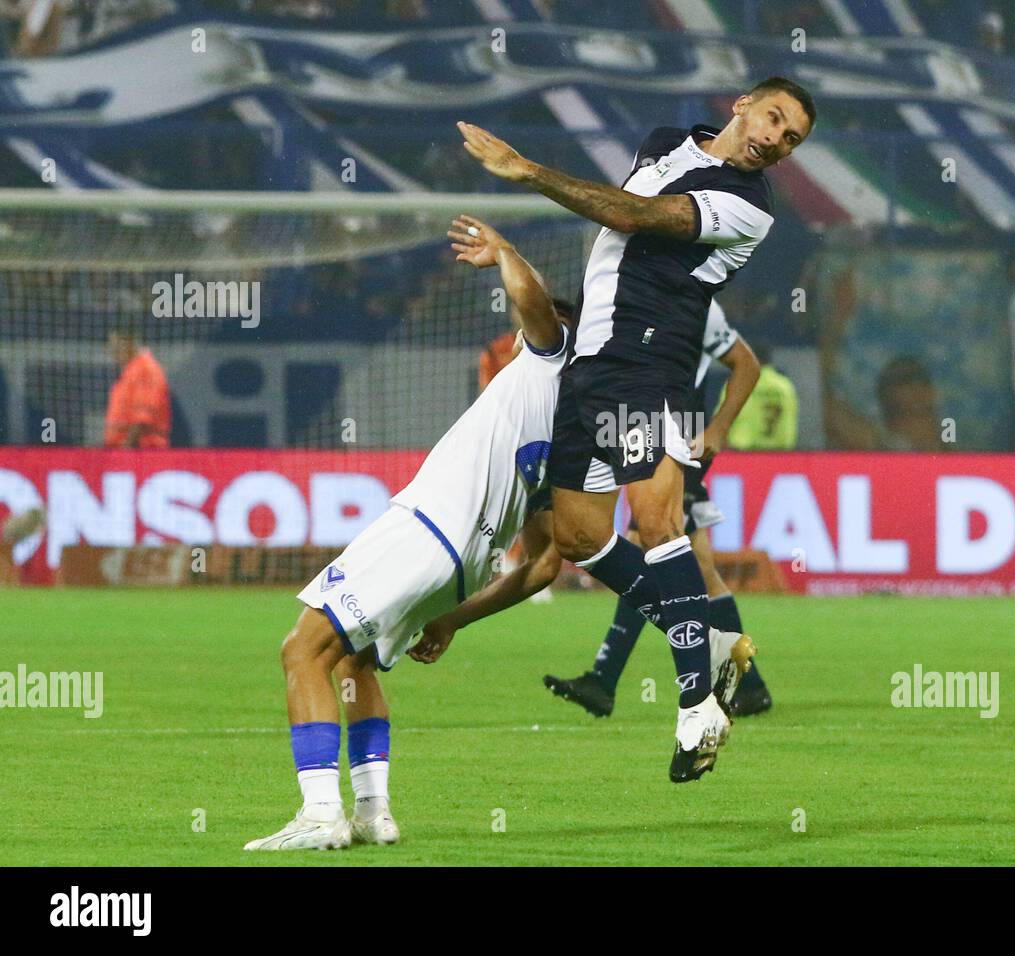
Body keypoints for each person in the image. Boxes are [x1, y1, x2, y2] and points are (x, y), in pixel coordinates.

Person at [456, 76, 814, 781]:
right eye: (774, 118)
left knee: (658, 525)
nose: (777, 139)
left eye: (792, 139)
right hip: (594, 360)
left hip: (652, 363)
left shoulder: (747, 207)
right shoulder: (663, 141)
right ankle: (709, 639)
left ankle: (695, 707)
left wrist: (526, 171)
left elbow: (634, 217)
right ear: (742, 103)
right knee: (581, 537)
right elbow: (622, 241)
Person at [244, 216, 572, 851]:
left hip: (427, 529)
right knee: (357, 660)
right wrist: (455, 619)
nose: (514, 336)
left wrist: (503, 251)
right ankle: (372, 812)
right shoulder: (566, 435)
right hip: (467, 566)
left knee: (303, 648)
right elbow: (544, 565)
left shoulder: (546, 361)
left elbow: (533, 300)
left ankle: (318, 815)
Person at [542, 299, 775, 719]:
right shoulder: (634, 292)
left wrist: (717, 429)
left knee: (646, 548)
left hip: (674, 442)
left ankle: (605, 678)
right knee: (698, 569)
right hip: (647, 435)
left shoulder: (699, 303)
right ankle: (748, 683)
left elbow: (747, 364)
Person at [104, 327, 171, 449]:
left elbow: (143, 418)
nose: (112, 353)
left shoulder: (145, 369)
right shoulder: (130, 371)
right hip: (123, 450)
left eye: (116, 347)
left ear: (128, 344)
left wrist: (126, 447)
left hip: (141, 452)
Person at [727, 337, 798, 450]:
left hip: (743, 456)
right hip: (779, 455)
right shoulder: (785, 386)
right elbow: (790, 422)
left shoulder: (739, 383)